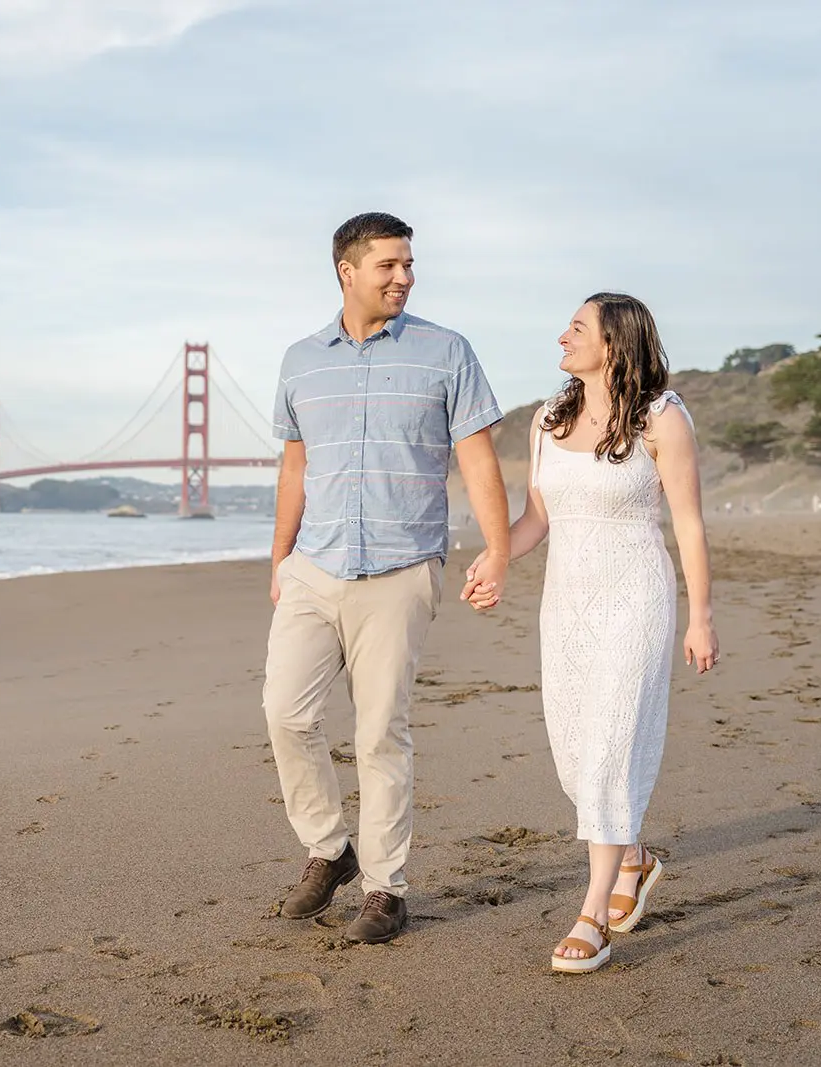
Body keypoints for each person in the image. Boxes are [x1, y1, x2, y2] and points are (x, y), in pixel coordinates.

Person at [262, 212, 510, 944]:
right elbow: (296, 468)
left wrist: (497, 550)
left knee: (379, 734)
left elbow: (477, 458)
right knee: (285, 713)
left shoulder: (446, 351)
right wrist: (279, 559)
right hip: (313, 566)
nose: (404, 277)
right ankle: (329, 848)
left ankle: (385, 888)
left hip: (402, 566)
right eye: (389, 265)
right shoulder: (300, 361)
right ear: (348, 271)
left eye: (409, 265)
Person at [471, 292, 718, 973]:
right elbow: (536, 519)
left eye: (577, 328)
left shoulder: (661, 418)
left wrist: (700, 616)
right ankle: (633, 856)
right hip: (567, 605)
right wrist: (496, 559)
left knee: (610, 749)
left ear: (614, 342)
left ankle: (592, 915)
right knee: (576, 754)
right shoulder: (549, 419)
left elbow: (689, 523)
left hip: (636, 599)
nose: (562, 336)